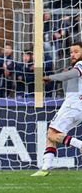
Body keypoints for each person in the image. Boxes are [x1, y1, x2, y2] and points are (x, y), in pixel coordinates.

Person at [31, 41, 82, 176]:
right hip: (76, 107)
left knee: (52, 134)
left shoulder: (80, 65)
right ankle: (46, 168)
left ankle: (79, 144)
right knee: (51, 134)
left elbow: (74, 74)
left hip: (72, 106)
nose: (72, 54)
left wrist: (51, 77)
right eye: (71, 52)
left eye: (76, 52)